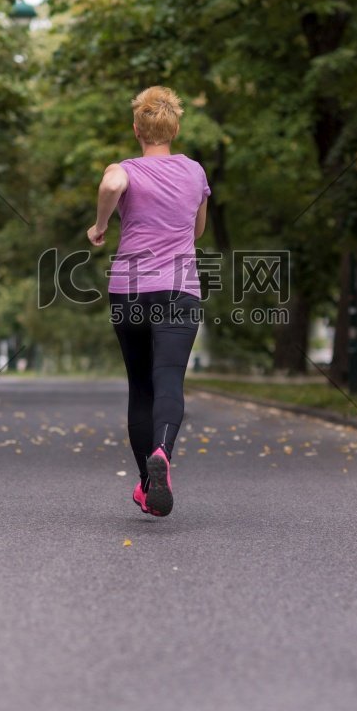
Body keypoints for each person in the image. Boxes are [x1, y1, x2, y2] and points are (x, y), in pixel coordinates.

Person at [87, 86, 211, 517]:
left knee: (140, 386)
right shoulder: (194, 172)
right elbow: (197, 232)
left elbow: (113, 183)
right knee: (169, 381)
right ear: (174, 128)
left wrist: (101, 225)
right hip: (180, 290)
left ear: (137, 129)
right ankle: (163, 452)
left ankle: (145, 482)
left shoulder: (125, 168)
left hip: (129, 291)